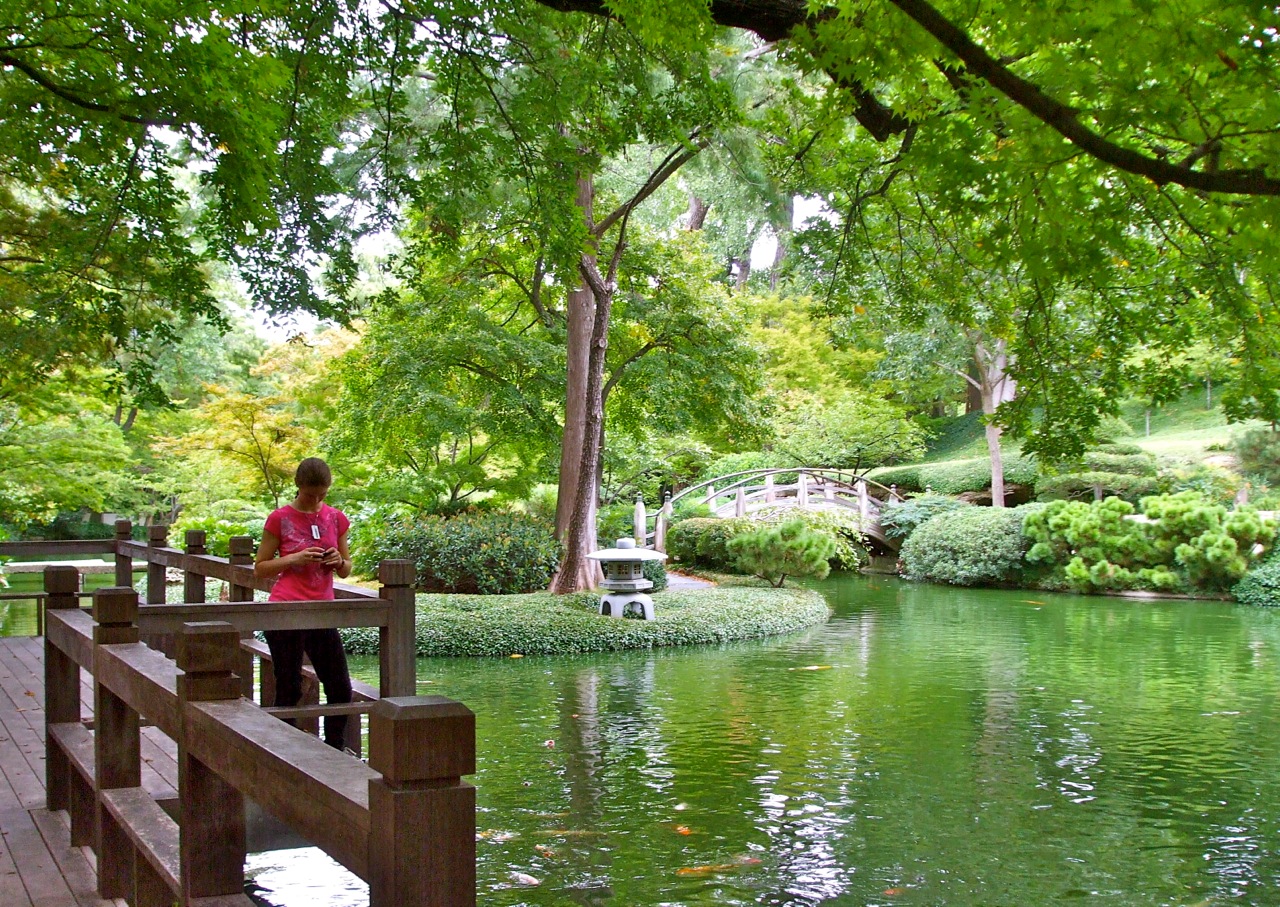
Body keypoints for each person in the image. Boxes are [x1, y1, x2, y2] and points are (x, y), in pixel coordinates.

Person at [254, 457, 354, 749]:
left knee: (340, 687)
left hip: (322, 611)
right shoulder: (280, 518)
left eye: (322, 494)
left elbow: (347, 569)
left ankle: (335, 748)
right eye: (311, 495)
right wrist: (294, 559)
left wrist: (338, 561)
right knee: (289, 686)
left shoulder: (336, 518)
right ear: (298, 486)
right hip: (286, 609)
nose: (316, 500)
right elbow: (260, 567)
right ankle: (287, 749)